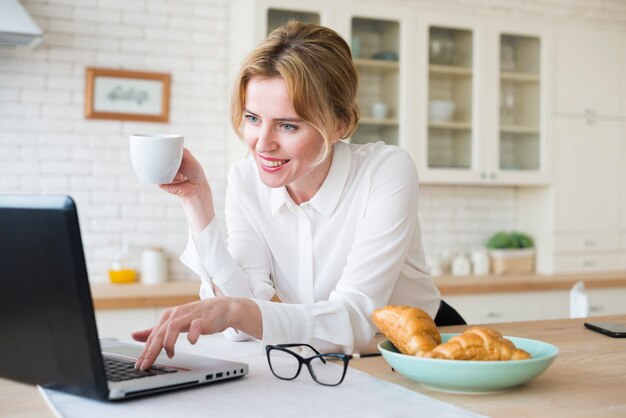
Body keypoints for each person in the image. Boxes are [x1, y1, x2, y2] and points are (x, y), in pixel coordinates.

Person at [132, 21, 464, 371]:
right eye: (253, 118)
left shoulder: (385, 170)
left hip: (423, 353)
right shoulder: (246, 179)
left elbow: (356, 319)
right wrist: (196, 202)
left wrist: (236, 311)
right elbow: (240, 327)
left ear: (339, 124)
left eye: (288, 125)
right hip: (328, 362)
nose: (262, 143)